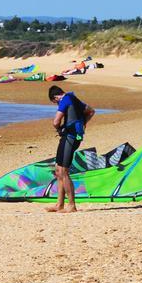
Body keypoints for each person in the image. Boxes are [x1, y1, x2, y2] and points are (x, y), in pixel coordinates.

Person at [47, 85, 95, 213]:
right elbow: (91, 111)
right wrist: (83, 123)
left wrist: (59, 129)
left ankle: (72, 205)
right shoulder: (73, 98)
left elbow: (56, 121)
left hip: (70, 137)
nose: (56, 105)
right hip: (71, 137)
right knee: (58, 169)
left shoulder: (65, 100)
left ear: (55, 98)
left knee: (63, 171)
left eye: (54, 103)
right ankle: (59, 205)